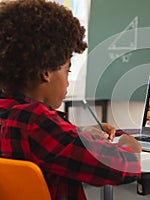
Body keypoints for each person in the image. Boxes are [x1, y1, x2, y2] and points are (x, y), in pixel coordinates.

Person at [0, 1, 141, 199]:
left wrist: (79, 133)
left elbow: (51, 144)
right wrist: (129, 147)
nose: (67, 82)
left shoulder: (10, 112)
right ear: (46, 72)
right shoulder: (38, 122)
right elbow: (120, 169)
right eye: (68, 70)